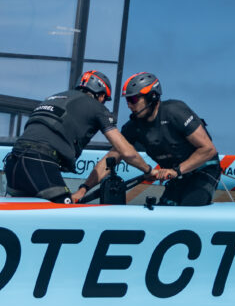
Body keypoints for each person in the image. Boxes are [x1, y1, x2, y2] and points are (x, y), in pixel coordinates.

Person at [3, 70, 152, 203]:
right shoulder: (97, 107)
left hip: (13, 162)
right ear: (100, 96)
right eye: (105, 99)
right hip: (39, 163)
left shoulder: (54, 98)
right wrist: (148, 171)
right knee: (65, 217)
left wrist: (83, 189)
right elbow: (125, 151)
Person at [91, 72, 220, 206]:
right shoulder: (132, 127)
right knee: (165, 213)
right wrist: (83, 189)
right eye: (127, 100)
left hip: (203, 170)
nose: (129, 105)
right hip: (177, 176)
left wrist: (177, 171)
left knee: (188, 207)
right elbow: (112, 156)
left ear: (152, 96)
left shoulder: (175, 111)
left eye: (133, 100)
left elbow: (208, 149)